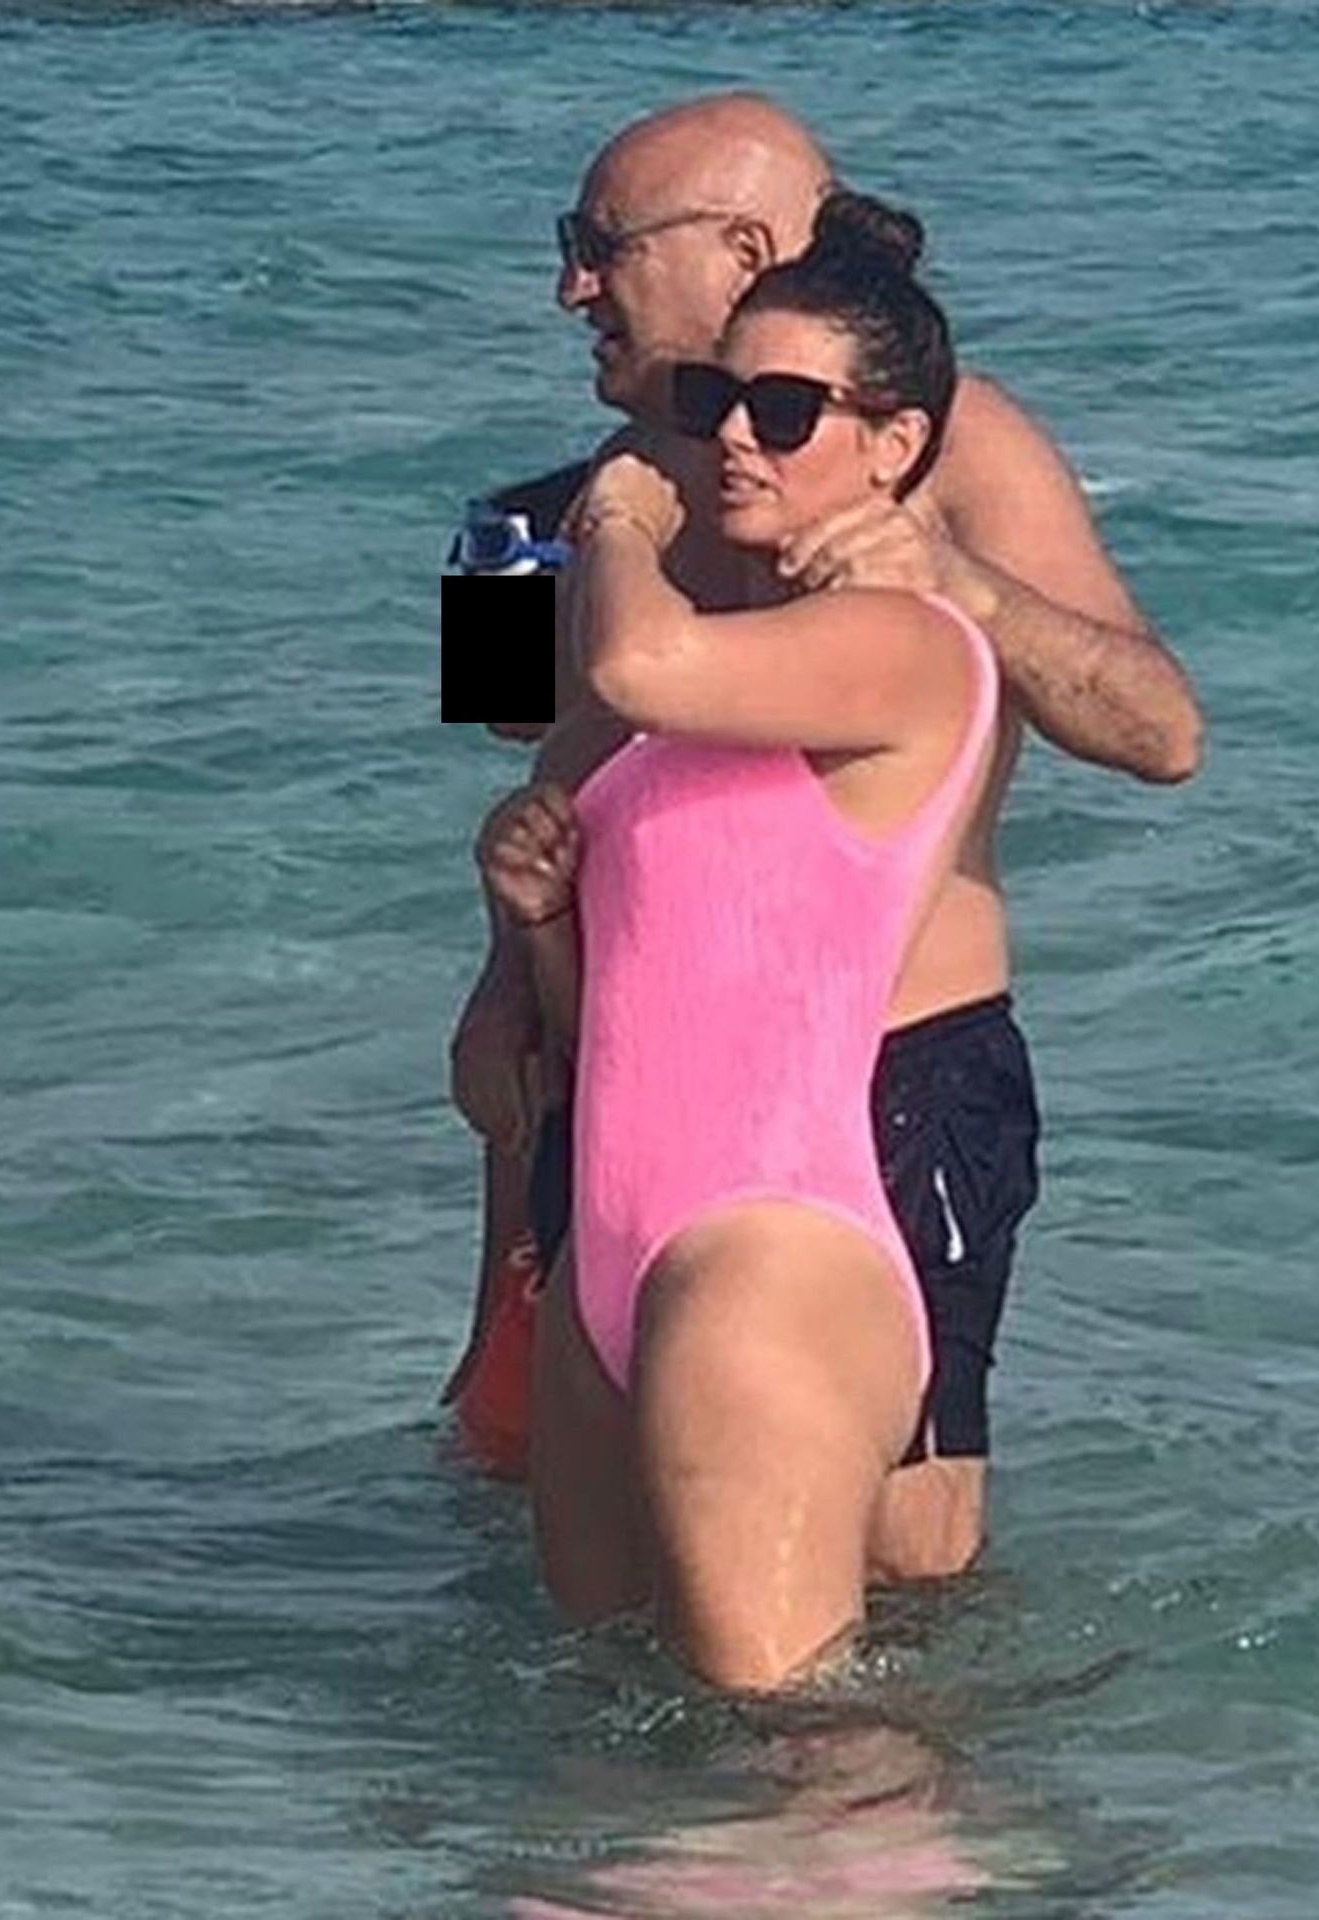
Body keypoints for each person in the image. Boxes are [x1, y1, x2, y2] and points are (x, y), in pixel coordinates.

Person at [448, 92, 1203, 1576]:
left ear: (742, 248)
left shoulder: (951, 442)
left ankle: (971, 1736)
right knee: (573, 1526)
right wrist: (497, 997)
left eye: (600, 245)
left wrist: (959, 582)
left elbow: (1163, 734)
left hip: (887, 1071)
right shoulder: (569, 499)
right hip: (640, 1071)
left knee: (906, 1553)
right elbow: (552, 768)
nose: (571, 288)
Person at [485, 190, 1003, 1692]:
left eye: (781, 411)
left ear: (894, 445)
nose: (732, 436)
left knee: (795, 1747)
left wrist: (619, 523)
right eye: (715, 399)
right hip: (607, 1234)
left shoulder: (909, 639)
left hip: (762, 1251)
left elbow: (634, 663)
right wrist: (531, 921)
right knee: (600, 1725)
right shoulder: (512, 517)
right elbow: (508, 726)